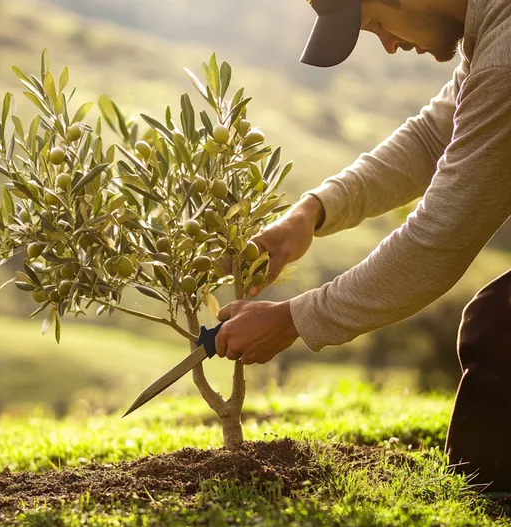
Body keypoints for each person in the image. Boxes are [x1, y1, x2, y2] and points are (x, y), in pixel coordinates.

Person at [214, 0, 511, 492]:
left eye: (376, 24)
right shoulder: (490, 29)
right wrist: (311, 212)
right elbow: (432, 137)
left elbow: (437, 241)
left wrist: (294, 318)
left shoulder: (503, 59)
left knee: (501, 330)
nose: (390, 46)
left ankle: (491, 501)